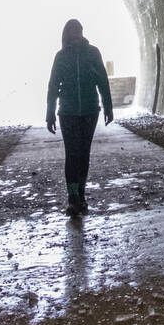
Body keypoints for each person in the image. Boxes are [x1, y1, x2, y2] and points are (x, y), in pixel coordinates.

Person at [46, 19, 114, 216]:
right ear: (66, 34)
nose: (75, 34)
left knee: (84, 154)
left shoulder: (93, 53)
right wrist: (50, 113)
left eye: (78, 30)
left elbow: (102, 81)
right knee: (72, 154)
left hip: (90, 111)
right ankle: (72, 197)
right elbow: (52, 86)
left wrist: (108, 107)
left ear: (82, 32)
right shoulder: (60, 57)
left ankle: (81, 196)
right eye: (72, 30)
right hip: (67, 113)